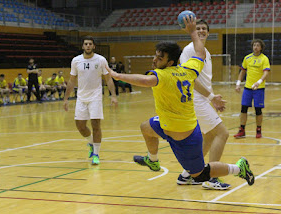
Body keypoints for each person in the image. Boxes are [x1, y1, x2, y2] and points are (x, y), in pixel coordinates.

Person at [106, 16, 255, 187]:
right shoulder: (188, 69)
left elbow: (144, 81)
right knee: (145, 127)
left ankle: (238, 168)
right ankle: (153, 160)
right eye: (155, 56)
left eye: (159, 58)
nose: (154, 60)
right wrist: (192, 32)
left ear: (169, 62)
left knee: (200, 174)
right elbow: (200, 52)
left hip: (183, 134)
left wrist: (117, 75)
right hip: (167, 124)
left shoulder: (163, 75)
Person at [177, 19, 230, 190]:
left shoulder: (205, 51)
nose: (200, 30)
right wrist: (211, 97)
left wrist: (212, 100)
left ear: (208, 32)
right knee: (222, 133)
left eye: (204, 28)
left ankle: (187, 174)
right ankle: (211, 178)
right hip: (194, 99)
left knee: (209, 136)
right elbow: (189, 78)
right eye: (197, 28)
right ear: (193, 30)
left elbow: (205, 80)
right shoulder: (190, 49)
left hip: (202, 99)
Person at [63, 35, 118, 165]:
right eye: (85, 44)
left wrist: (113, 95)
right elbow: (71, 80)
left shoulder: (101, 60)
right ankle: (91, 143)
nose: (88, 46)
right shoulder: (76, 61)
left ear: (94, 46)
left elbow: (108, 79)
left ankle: (96, 154)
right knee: (80, 126)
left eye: (90, 44)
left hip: (96, 97)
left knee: (95, 125)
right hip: (81, 97)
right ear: (82, 46)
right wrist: (66, 98)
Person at [234, 39, 270, 139]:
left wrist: (258, 82)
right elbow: (242, 71)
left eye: (258, 45)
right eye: (254, 45)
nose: (256, 47)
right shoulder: (247, 58)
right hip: (247, 88)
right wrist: (238, 83)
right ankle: (242, 130)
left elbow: (266, 72)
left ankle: (258, 130)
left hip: (259, 89)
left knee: (258, 110)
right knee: (243, 108)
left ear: (261, 48)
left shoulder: (264, 59)